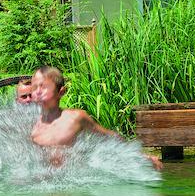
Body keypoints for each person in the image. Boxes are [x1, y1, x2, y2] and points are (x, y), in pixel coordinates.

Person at [30, 65, 162, 171]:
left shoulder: (74, 118)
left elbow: (107, 135)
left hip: (73, 180)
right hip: (45, 180)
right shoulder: (29, 124)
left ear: (61, 92)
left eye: (44, 86)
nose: (38, 92)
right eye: (35, 87)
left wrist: (140, 155)